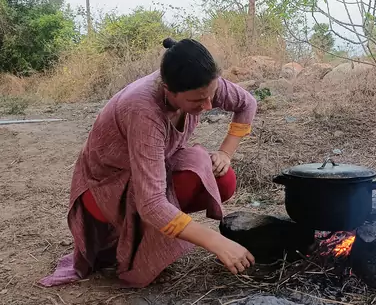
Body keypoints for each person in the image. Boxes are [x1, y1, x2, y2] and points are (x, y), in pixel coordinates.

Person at [39, 37, 257, 288]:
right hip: (105, 186)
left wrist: (225, 153)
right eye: (198, 101)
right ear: (168, 89)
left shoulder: (200, 83)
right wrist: (215, 242)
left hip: (150, 168)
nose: (208, 106)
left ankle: (155, 232)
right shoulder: (143, 109)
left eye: (211, 96)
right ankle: (138, 239)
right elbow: (151, 203)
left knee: (222, 178)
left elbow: (246, 103)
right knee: (182, 185)